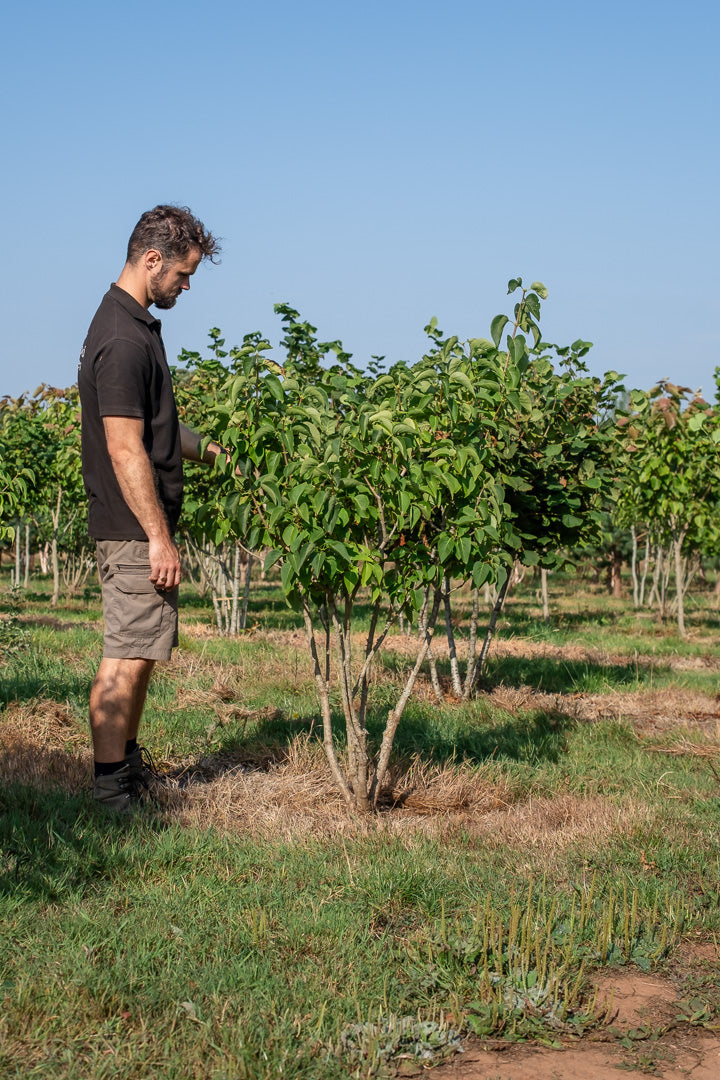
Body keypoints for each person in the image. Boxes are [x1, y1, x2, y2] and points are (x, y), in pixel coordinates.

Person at [78, 204, 228, 812]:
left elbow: (156, 429)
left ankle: (127, 767)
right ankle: (111, 791)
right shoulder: (122, 338)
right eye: (183, 274)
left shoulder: (132, 326)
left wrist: (214, 454)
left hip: (136, 526)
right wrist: (157, 537)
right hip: (133, 527)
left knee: (141, 654)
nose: (186, 286)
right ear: (152, 259)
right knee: (125, 656)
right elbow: (124, 446)